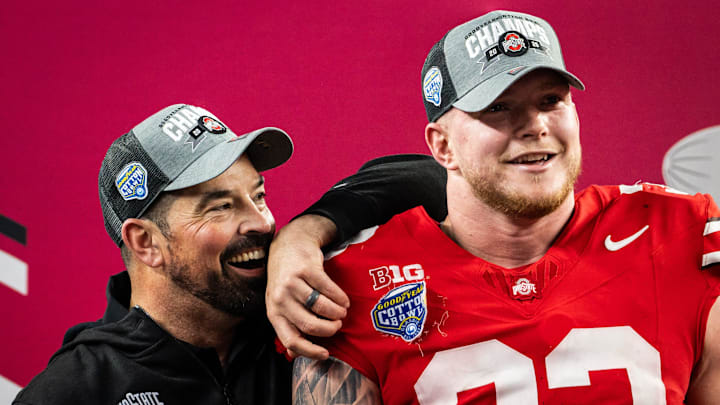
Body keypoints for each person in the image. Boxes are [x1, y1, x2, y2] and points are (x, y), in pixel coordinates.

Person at [267, 10, 720, 403]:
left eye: (551, 101)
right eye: (498, 107)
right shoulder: (354, 286)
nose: (536, 126)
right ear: (442, 146)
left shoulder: (678, 232)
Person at [13, 104, 296, 404]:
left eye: (258, 196)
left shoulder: (304, 331)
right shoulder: (76, 391)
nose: (261, 223)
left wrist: (311, 228)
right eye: (221, 207)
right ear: (145, 242)